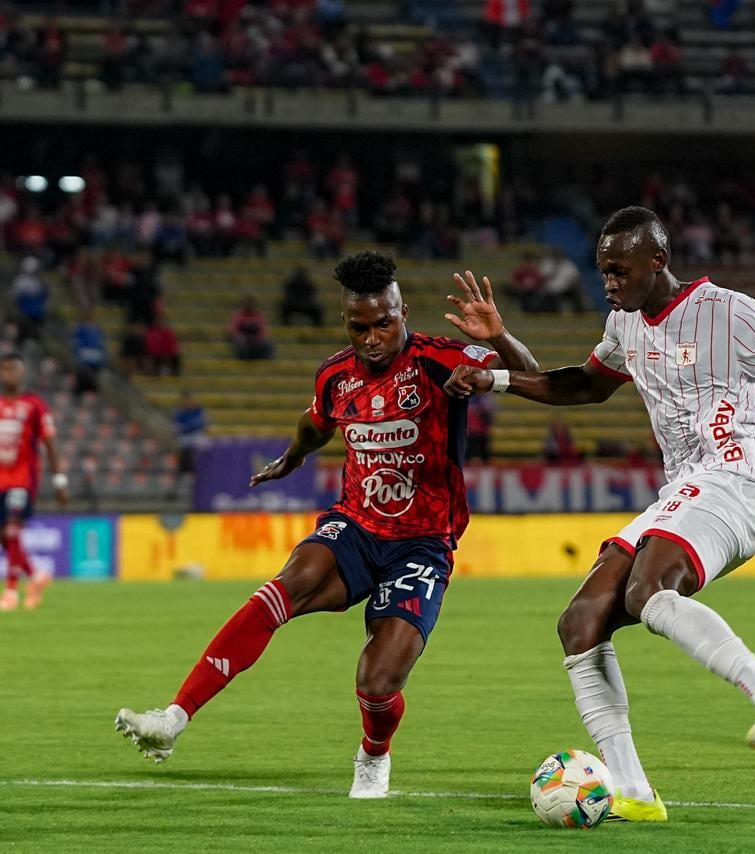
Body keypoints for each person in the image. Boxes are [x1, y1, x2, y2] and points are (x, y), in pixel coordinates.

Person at [444, 206, 755, 822]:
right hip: (687, 489)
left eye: (619, 270)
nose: (609, 283)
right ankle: (634, 793)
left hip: (741, 477)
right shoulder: (624, 324)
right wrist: (498, 380)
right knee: (580, 622)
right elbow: (584, 385)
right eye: (602, 271)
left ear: (658, 261)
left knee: (648, 588)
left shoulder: (732, 312)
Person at [115, 252, 538, 798]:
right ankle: (174, 717)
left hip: (423, 543)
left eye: (384, 322)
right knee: (287, 583)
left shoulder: (442, 359)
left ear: (402, 310)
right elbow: (315, 425)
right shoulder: (336, 375)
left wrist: (499, 341)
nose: (372, 337)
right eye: (358, 326)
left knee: (377, 681)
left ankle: (373, 755)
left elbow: (534, 374)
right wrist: (292, 458)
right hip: (356, 528)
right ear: (345, 322)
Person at [0, 353, 70, 612]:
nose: (10, 374)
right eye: (5, 369)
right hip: (0, 479)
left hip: (23, 478)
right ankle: (36, 575)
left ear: (23, 373)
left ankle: (10, 593)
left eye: (14, 369)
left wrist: (60, 481)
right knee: (4, 536)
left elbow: (49, 443)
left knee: (12, 529)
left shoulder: (34, 405)